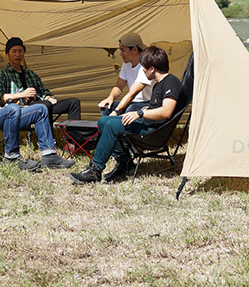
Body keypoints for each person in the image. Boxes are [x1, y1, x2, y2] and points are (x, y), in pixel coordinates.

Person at [71, 46, 182, 184]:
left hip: (153, 131)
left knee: (111, 125)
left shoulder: (171, 82)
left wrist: (139, 113)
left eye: (145, 67)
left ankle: (95, 170)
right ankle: (125, 162)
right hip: (147, 123)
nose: (142, 70)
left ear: (152, 69)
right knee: (104, 121)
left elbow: (166, 111)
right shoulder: (158, 84)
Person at [0, 37, 82, 132]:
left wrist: (48, 97)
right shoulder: (2, 74)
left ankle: (74, 140)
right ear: (7, 54)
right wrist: (22, 94)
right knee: (45, 105)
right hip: (20, 107)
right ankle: (49, 140)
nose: (17, 55)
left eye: (20, 51)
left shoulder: (30, 73)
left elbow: (43, 90)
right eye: (14, 51)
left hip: (39, 102)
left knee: (73, 102)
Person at [97, 32, 152, 117]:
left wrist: (116, 111)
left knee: (130, 109)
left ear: (134, 49)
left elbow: (133, 93)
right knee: (106, 108)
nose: (120, 54)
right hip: (132, 102)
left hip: (147, 104)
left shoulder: (145, 65)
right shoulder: (126, 64)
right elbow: (119, 86)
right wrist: (110, 97)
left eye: (123, 50)